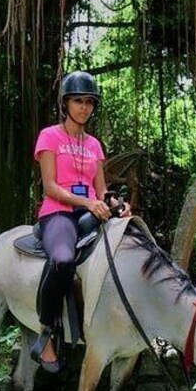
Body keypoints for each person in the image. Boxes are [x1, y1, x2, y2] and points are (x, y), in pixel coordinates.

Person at [31, 71, 130, 373]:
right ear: (65, 103)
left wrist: (116, 203)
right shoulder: (49, 136)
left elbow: (101, 189)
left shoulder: (95, 145)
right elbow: (50, 186)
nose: (84, 108)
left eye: (89, 102)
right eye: (78, 101)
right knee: (62, 259)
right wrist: (88, 202)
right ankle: (46, 331)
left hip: (91, 213)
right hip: (58, 213)